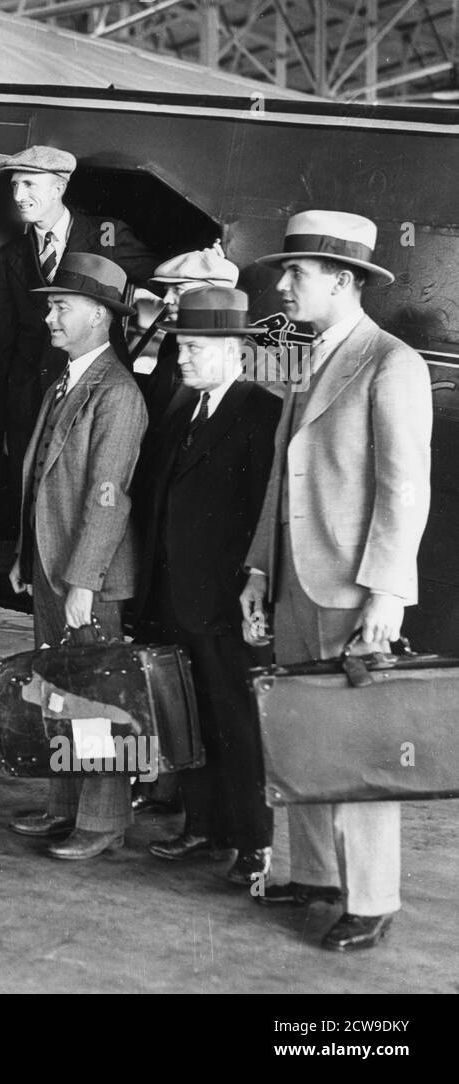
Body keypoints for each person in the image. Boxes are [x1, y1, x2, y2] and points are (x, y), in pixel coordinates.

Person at [240, 210, 432, 951]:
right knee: (304, 740)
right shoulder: (309, 359)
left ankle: (373, 897)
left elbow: (403, 489)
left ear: (344, 281)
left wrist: (387, 590)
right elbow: (278, 482)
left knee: (356, 749)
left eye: (297, 273)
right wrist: (259, 567)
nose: (283, 284)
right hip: (295, 584)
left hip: (352, 591)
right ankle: (317, 876)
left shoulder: (391, 364)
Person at [130, 287, 281, 886]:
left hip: (224, 601)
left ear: (229, 349)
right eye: (180, 346)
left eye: (192, 347)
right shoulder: (182, 408)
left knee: (236, 721)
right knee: (185, 714)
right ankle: (203, 823)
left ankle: (252, 842)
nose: (182, 358)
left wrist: (254, 588)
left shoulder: (260, 413)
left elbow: (263, 514)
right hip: (171, 595)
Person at [6, 253, 148, 861]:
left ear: (99, 315)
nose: (49, 317)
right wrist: (24, 554)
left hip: (85, 576)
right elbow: (40, 480)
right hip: (51, 564)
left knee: (97, 700)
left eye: (61, 306)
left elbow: (107, 499)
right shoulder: (66, 382)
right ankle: (64, 807)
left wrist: (84, 582)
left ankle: (102, 820)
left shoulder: (117, 394)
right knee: (57, 692)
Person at [0, 145, 157, 558]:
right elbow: (6, 345)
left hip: (97, 391)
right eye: (14, 185)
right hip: (35, 401)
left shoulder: (105, 234)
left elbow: (160, 272)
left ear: (60, 186)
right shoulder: (9, 258)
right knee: (38, 498)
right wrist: (7, 416)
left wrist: (203, 266)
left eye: (29, 184)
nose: (18, 195)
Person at [136, 243, 239, 426]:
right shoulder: (170, 359)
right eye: (166, 291)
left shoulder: (254, 363)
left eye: (177, 290)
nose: (166, 300)